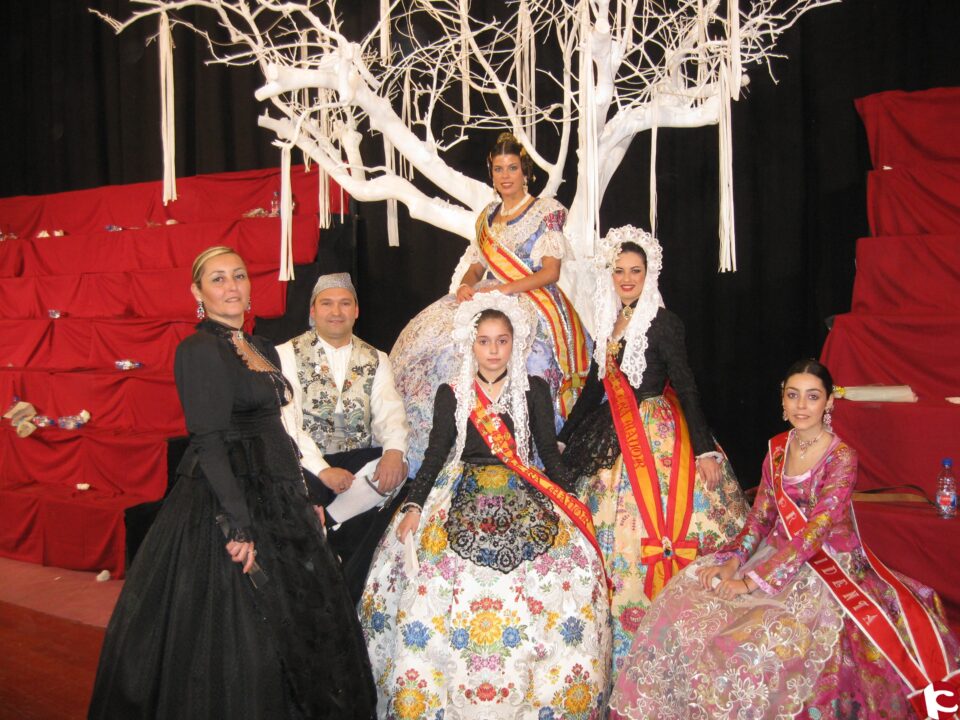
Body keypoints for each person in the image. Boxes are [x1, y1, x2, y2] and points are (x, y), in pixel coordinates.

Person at [88, 247, 376, 720]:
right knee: (237, 636)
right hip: (226, 499)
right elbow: (207, 440)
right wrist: (237, 525)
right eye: (218, 279)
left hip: (280, 493)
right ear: (198, 293)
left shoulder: (261, 347)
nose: (231, 287)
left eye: (238, 276)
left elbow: (280, 431)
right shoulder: (197, 350)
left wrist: (304, 497)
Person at [609, 359, 960, 720]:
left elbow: (815, 532)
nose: (801, 406)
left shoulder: (842, 458)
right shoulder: (777, 450)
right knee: (683, 602)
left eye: (812, 397)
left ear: (828, 403)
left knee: (756, 647)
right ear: (783, 401)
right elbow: (760, 518)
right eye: (793, 396)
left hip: (824, 565)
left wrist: (751, 581)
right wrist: (734, 561)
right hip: (773, 553)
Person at [361, 292, 611, 720]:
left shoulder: (533, 389)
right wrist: (415, 505)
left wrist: (569, 497)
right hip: (459, 488)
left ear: (515, 344)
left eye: (501, 341)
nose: (493, 351)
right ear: (470, 344)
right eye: (484, 341)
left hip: (522, 488)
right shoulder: (452, 393)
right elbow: (437, 453)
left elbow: (548, 455)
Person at [558, 226, 749, 680]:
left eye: (635, 271)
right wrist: (565, 437)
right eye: (619, 271)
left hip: (659, 431)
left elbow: (685, 384)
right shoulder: (607, 323)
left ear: (649, 274)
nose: (626, 279)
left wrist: (704, 451)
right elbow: (592, 388)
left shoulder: (663, 322)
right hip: (614, 431)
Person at [390, 132, 590, 475]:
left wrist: (506, 289)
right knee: (436, 347)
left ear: (526, 172)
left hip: (530, 299)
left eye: (513, 168)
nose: (506, 176)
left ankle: (531, 455)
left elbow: (550, 273)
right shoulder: (486, 218)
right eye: (499, 169)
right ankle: (445, 452)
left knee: (532, 363)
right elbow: (476, 265)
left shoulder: (546, 211)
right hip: (486, 298)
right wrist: (467, 286)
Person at [276, 272, 411, 601]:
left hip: (354, 461)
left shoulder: (376, 358)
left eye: (344, 303)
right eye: (327, 303)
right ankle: (332, 544)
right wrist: (323, 470)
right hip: (305, 461)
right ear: (312, 311)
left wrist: (394, 451)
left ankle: (332, 522)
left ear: (356, 310)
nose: (336, 311)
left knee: (397, 472)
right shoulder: (284, 354)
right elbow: (288, 423)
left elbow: (389, 410)